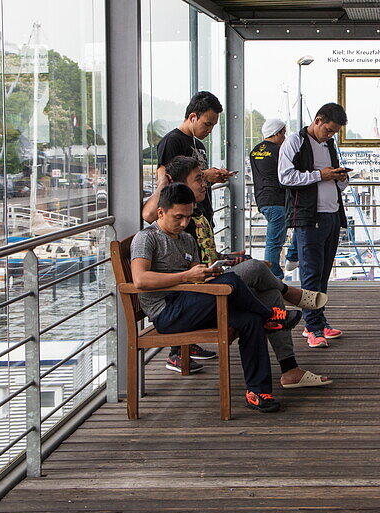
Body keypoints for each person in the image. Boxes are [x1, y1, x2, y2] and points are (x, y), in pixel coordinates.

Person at [144, 155, 332, 389]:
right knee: (253, 270)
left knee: (266, 295)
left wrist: (229, 259)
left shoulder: (190, 223)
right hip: (185, 303)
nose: (205, 184)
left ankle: (287, 371)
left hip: (199, 292)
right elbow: (149, 273)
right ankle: (290, 296)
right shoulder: (165, 231)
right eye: (198, 179)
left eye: (203, 178)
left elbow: (203, 262)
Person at [130, 184, 303, 412]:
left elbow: (195, 273)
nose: (184, 223)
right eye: (178, 217)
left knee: (251, 321)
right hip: (168, 313)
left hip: (192, 303)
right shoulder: (147, 238)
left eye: (188, 217)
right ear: (161, 212)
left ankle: (258, 392)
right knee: (233, 283)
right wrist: (187, 275)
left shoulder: (186, 238)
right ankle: (271, 315)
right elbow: (140, 279)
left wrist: (209, 272)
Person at [279, 102, 349, 348]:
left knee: (323, 274)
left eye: (334, 133)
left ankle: (318, 321)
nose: (330, 136)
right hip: (309, 217)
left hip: (332, 214)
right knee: (310, 274)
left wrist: (340, 177)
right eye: (328, 130)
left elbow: (334, 178)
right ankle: (313, 327)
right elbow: (285, 177)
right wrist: (321, 175)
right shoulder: (294, 142)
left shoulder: (328, 144)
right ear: (318, 120)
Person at [155, 91, 234, 226]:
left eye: (213, 126)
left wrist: (213, 178)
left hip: (203, 217)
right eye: (207, 124)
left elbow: (194, 183)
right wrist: (205, 175)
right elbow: (166, 183)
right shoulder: (172, 141)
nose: (210, 130)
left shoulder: (199, 144)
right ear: (192, 117)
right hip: (186, 222)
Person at [250, 118, 297, 281]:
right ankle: (273, 277)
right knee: (274, 241)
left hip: (262, 199)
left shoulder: (255, 151)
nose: (284, 137)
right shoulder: (279, 151)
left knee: (274, 239)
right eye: (283, 134)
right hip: (277, 199)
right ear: (276, 133)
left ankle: (279, 269)